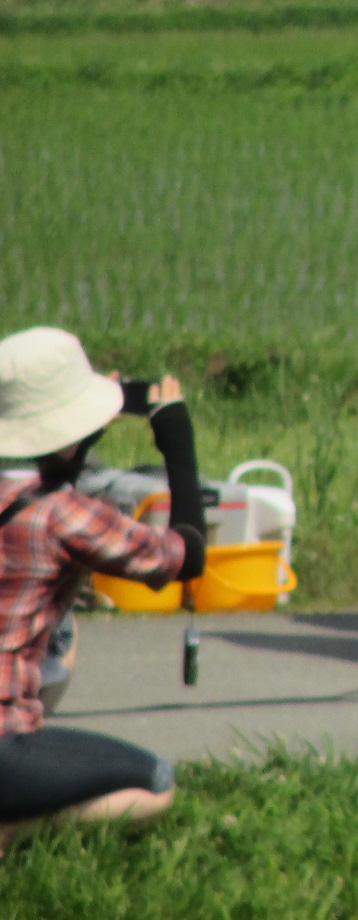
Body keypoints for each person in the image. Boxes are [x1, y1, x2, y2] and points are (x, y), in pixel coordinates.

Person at [0, 327, 205, 845]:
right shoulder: (63, 515)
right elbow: (184, 555)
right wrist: (177, 441)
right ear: (69, 434)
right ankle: (11, 829)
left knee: (54, 635)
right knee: (155, 783)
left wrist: (73, 437)